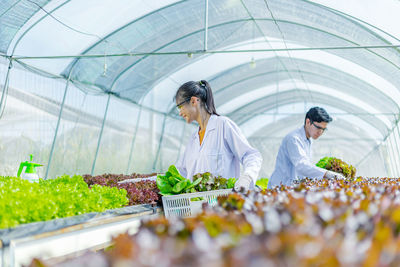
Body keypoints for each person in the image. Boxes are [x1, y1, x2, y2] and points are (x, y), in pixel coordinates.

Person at [175, 80, 262, 192]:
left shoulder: (223, 125)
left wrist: (247, 177)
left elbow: (252, 155)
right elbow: (180, 171)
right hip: (198, 206)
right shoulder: (193, 138)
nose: (180, 113)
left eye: (180, 107)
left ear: (193, 101)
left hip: (222, 205)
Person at [268, 107, 345, 189]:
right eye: (318, 127)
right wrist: (327, 174)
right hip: (280, 187)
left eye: (323, 129)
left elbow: (305, 168)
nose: (320, 132)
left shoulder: (308, 140)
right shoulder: (294, 139)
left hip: (291, 187)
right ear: (308, 122)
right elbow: (302, 165)